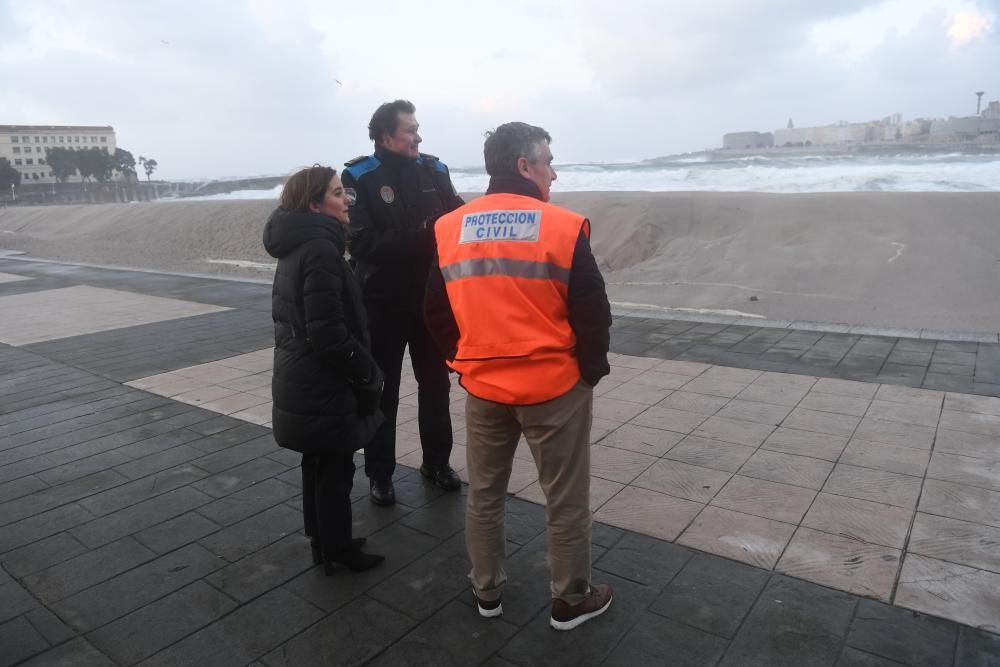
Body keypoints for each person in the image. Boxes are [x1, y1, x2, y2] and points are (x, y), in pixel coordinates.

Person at [424, 122, 614, 630]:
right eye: (548, 161)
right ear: (524, 167)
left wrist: (461, 363)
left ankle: (487, 591)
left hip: (484, 387)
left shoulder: (451, 227)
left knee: (485, 494)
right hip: (554, 386)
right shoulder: (561, 225)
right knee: (566, 499)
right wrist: (588, 373)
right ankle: (570, 600)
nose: (553, 172)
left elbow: (436, 312)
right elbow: (593, 312)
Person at [264, 165, 386, 573]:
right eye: (338, 194)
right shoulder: (320, 249)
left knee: (317, 462)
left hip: (300, 372)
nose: (347, 201)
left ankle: (324, 541)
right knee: (335, 465)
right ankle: (337, 548)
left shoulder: (298, 244)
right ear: (314, 204)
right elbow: (329, 333)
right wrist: (366, 372)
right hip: (322, 380)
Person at [342, 99, 465, 506]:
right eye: (410, 130)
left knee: (436, 387)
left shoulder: (435, 170)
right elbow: (359, 243)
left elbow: (459, 223)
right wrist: (422, 235)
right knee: (383, 393)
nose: (418, 136)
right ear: (385, 136)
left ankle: (437, 463)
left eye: (417, 128)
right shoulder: (359, 176)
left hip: (431, 301)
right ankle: (380, 475)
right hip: (382, 304)